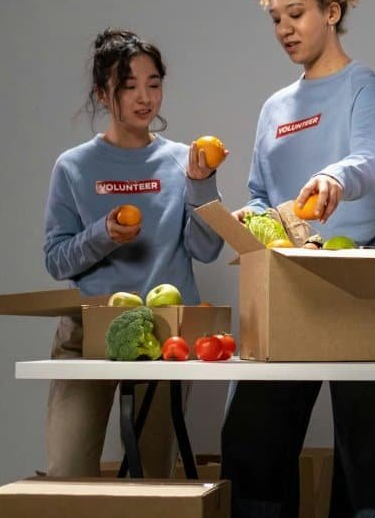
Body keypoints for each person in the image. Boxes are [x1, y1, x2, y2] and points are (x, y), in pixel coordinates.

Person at [220, 0, 375, 518]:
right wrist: (248, 218)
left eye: (296, 13)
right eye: (275, 17)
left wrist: (334, 177)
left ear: (334, 8)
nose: (284, 29)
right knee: (250, 444)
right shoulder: (275, 107)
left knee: (362, 456)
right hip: (290, 286)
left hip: (360, 287)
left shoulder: (360, 86)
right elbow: (259, 191)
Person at [43, 28, 228, 477]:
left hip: (166, 334)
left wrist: (202, 184)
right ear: (103, 94)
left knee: (152, 482)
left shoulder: (183, 159)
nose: (145, 97)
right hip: (87, 331)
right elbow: (56, 260)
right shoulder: (73, 166)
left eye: (154, 83)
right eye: (129, 86)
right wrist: (104, 233)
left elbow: (207, 249)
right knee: (66, 475)